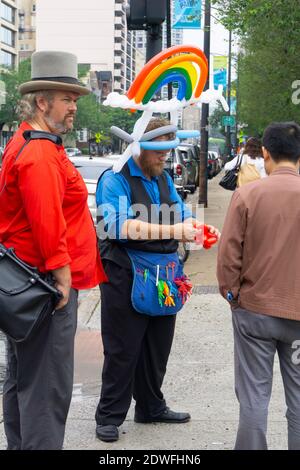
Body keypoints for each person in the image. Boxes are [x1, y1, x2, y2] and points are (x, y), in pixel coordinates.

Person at [0, 50, 107, 450]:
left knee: (24, 379)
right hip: (45, 286)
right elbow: (48, 224)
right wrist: (62, 281)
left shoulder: (32, 142)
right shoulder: (40, 153)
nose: (74, 106)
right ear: (42, 102)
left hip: (29, 283)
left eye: (75, 99)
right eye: (67, 98)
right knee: (47, 388)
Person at [95, 118, 220, 442]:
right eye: (160, 150)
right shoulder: (115, 179)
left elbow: (180, 214)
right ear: (140, 146)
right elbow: (119, 227)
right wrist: (174, 232)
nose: (166, 157)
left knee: (157, 345)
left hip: (163, 274)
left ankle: (150, 406)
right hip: (124, 273)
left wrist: (199, 229)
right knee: (123, 349)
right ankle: (109, 415)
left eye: (169, 149)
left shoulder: (162, 178)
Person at [217, 121, 300, 450]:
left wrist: (232, 293)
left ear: (265, 153)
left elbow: (228, 254)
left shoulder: (248, 193)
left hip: (254, 312)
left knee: (254, 397)